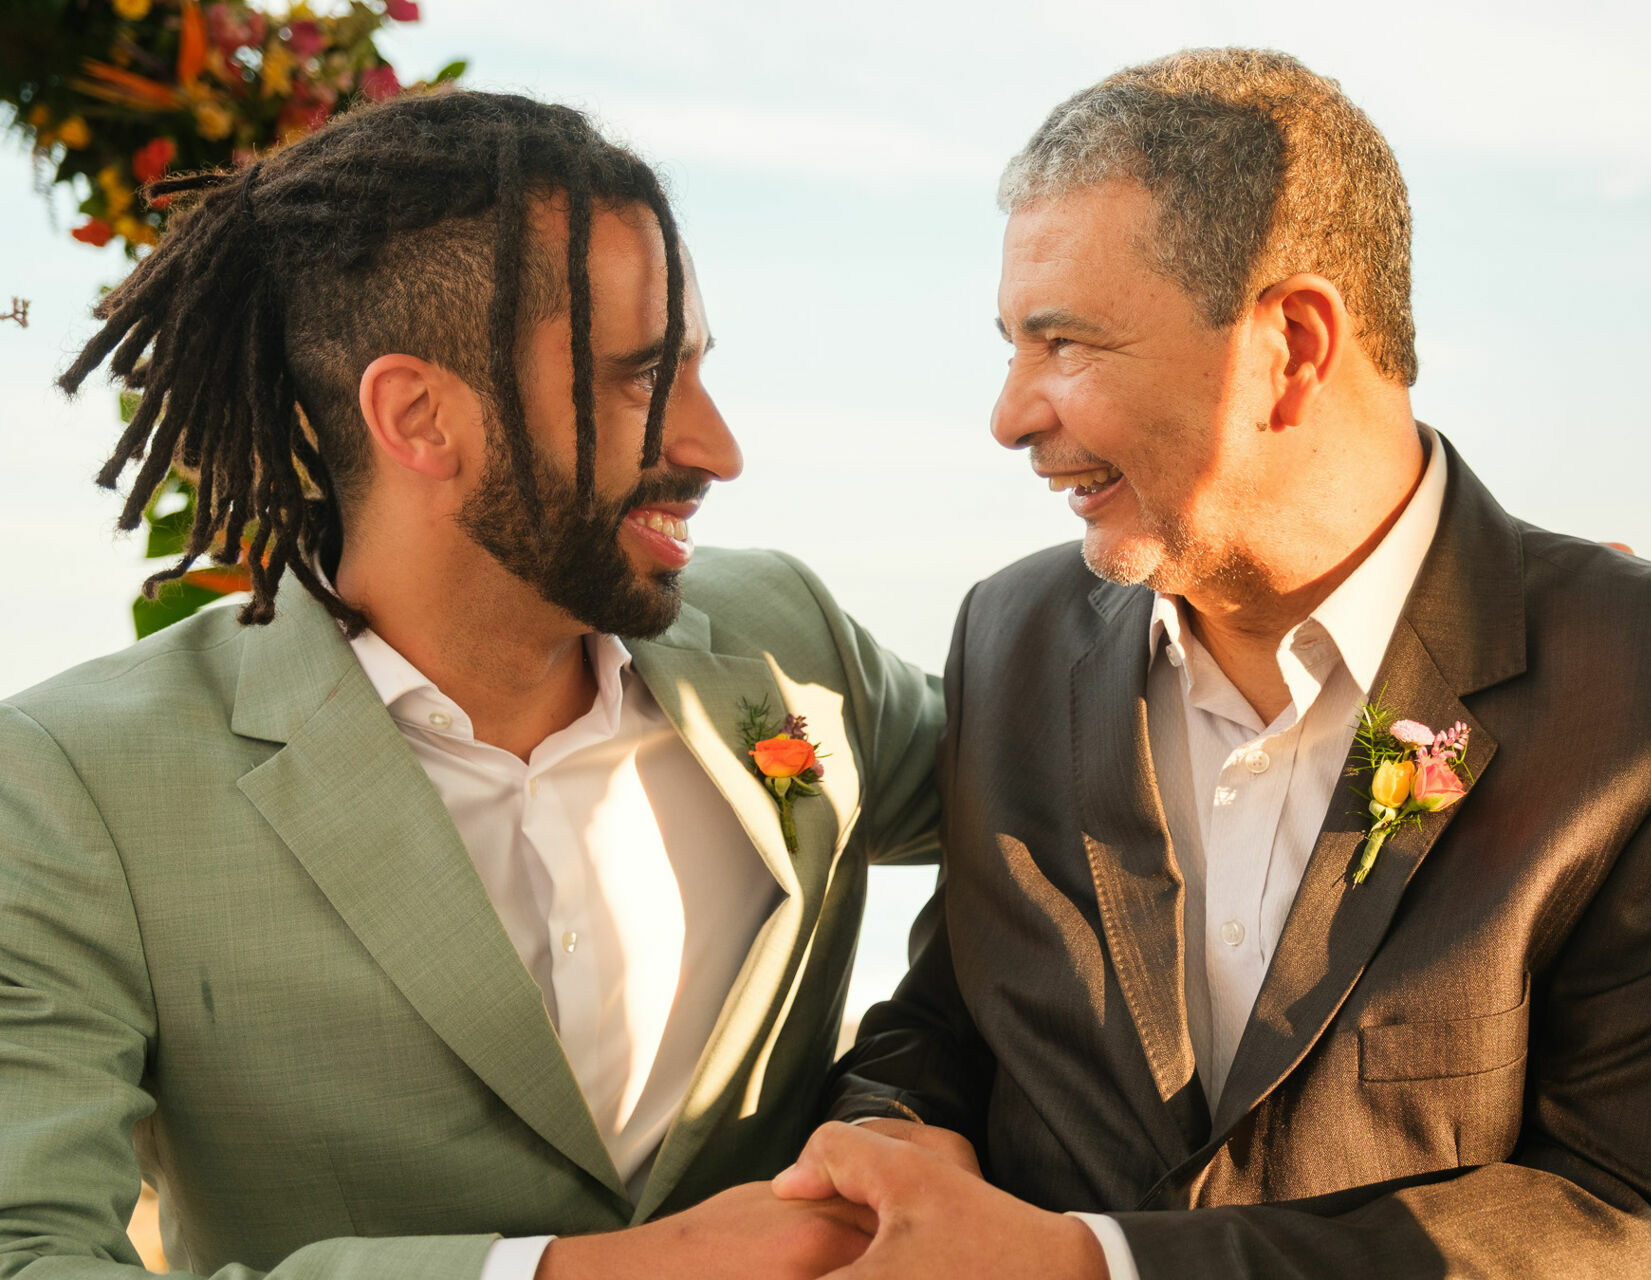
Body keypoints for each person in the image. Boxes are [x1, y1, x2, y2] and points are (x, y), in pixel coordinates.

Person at [783, 48, 1651, 1279]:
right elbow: (955, 1019)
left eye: (1063, 343)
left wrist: (1092, 1264)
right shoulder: (1009, 634)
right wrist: (889, 1142)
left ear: (1290, 344)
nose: (1011, 413)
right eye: (1012, 345)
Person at [0, 91, 943, 1280]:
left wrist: (911, 1103)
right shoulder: (73, 784)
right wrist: (571, 1273)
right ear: (418, 415)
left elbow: (1084, 792)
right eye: (642, 380)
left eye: (696, 370)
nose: (715, 445)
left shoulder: (787, 645)